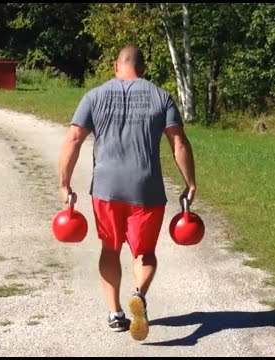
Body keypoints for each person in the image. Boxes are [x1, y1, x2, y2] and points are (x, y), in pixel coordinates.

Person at [58, 44, 196, 341]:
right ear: (143, 68)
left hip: (106, 189)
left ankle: (116, 313)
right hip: (146, 189)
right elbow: (179, 143)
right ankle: (140, 294)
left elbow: (73, 139)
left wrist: (64, 183)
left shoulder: (94, 96)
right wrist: (190, 183)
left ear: (114, 65)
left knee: (110, 249)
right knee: (144, 253)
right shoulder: (161, 96)